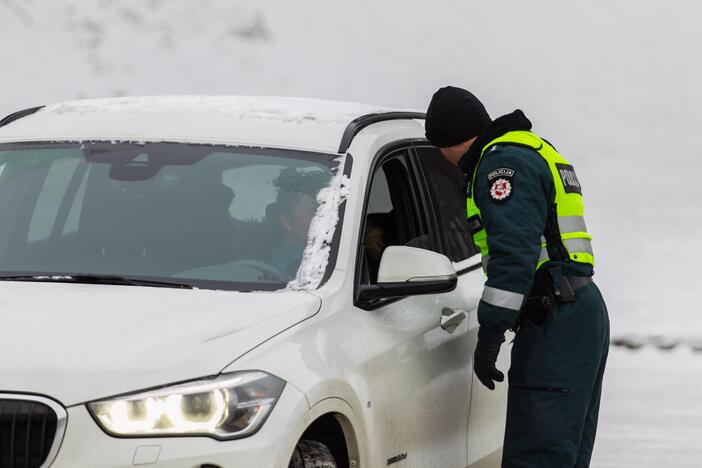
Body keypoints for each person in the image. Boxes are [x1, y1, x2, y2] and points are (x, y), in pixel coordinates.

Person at [424, 86, 609, 467]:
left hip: (555, 318)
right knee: (563, 455)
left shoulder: (499, 166)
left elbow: (513, 260)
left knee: (537, 457)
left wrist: (491, 334)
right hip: (576, 308)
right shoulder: (532, 148)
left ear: (449, 141)